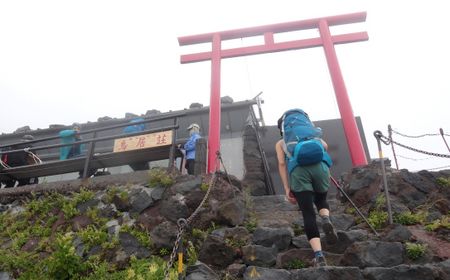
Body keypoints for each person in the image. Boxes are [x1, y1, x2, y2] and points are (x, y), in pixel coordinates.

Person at [275, 109, 337, 267]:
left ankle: (319, 255)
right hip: (321, 168)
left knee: (308, 213)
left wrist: (287, 187)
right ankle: (326, 218)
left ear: (283, 129)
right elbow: (325, 146)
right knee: (321, 199)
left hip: (299, 172)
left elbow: (282, 164)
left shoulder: (281, 143)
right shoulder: (313, 135)